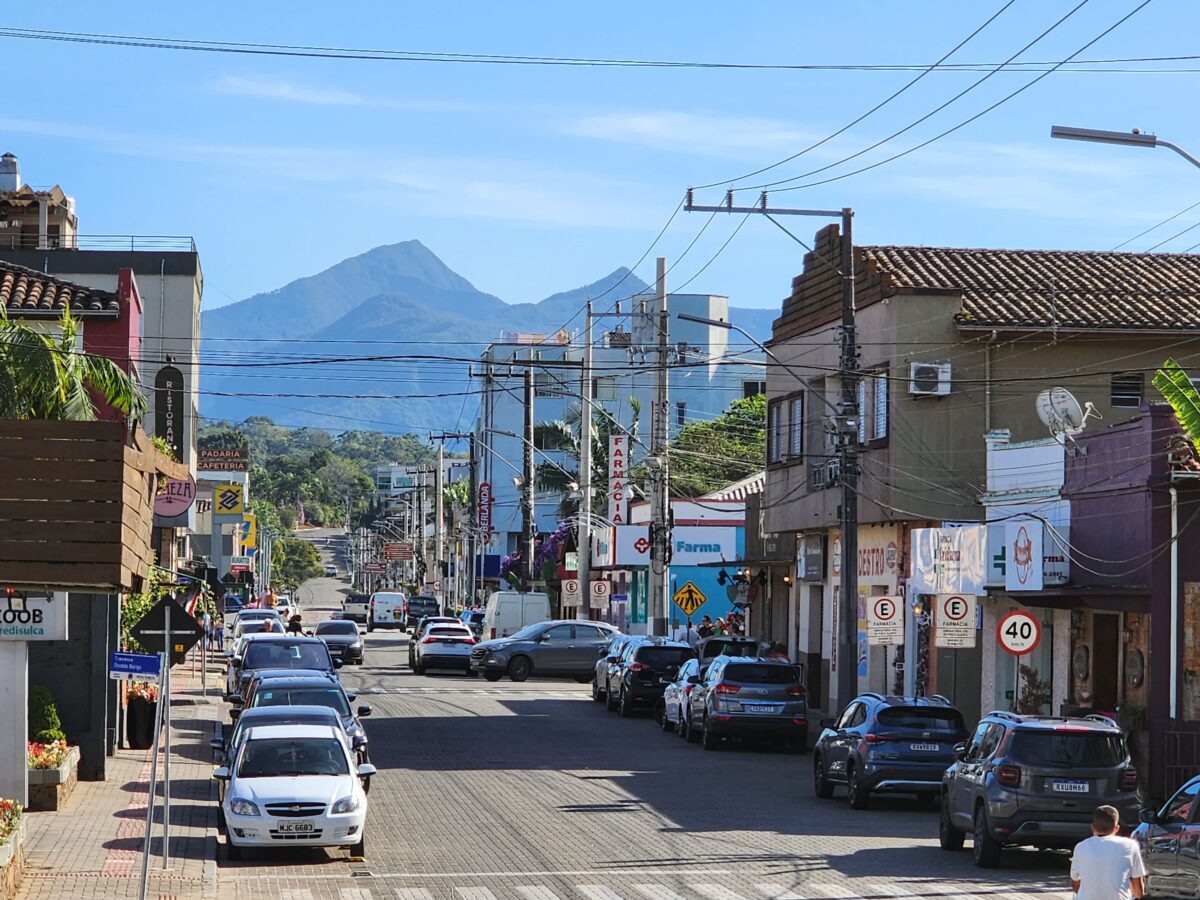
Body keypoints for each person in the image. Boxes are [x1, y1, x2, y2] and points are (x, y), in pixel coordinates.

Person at [1070, 805, 1145, 900]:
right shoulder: (1130, 845)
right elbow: (1138, 891)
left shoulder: (1081, 847)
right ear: (1117, 828)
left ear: (1092, 828)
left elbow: (1075, 882)